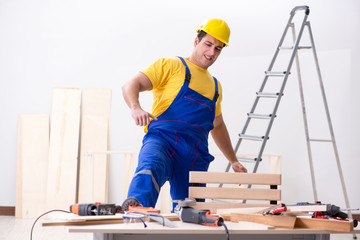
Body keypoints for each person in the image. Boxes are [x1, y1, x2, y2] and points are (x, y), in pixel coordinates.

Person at [122, 18, 247, 208]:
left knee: (190, 211)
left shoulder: (215, 86)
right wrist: (135, 108)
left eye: (218, 48)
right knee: (149, 170)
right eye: (208, 44)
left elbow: (218, 125)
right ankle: (135, 215)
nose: (212, 52)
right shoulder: (172, 65)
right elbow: (131, 84)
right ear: (196, 42)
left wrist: (233, 160)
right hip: (162, 141)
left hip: (194, 154)